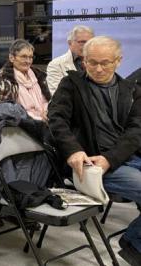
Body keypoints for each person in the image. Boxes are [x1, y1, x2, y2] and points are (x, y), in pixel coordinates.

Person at [48, 36, 141, 265]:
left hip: (121, 157)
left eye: (105, 63)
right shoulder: (71, 85)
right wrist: (73, 151)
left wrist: (112, 158)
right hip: (91, 163)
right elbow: (56, 119)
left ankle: (134, 240)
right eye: (92, 62)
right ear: (84, 61)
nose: (98, 69)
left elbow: (136, 130)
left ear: (118, 61)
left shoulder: (130, 90)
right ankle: (134, 244)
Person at [0, 39, 51, 121]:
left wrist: (47, 111)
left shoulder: (40, 76)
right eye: (24, 57)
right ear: (11, 58)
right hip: (17, 127)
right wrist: (35, 119)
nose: (28, 61)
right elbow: (1, 111)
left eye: (30, 57)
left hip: (45, 121)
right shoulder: (1, 79)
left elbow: (47, 100)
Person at [47, 25, 94, 94]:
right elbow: (58, 94)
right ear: (70, 43)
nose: (86, 46)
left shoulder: (99, 62)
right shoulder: (56, 64)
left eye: (90, 42)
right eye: (82, 42)